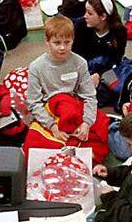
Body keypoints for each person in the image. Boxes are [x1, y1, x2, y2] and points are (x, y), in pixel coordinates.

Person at [27, 16, 97, 145]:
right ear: (47, 41)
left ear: (73, 40)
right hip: (49, 111)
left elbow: (90, 96)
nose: (62, 48)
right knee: (35, 144)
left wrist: (87, 122)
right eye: (57, 43)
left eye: (67, 42)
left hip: (74, 107)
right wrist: (52, 126)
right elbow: (33, 103)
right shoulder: (36, 67)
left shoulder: (80, 63)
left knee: (98, 134)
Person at [73, 0, 127, 89]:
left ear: (103, 16)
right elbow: (75, 55)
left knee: (117, 88)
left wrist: (99, 74)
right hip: (82, 67)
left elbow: (116, 58)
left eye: (90, 13)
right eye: (85, 12)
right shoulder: (80, 25)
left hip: (106, 68)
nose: (85, 16)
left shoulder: (119, 32)